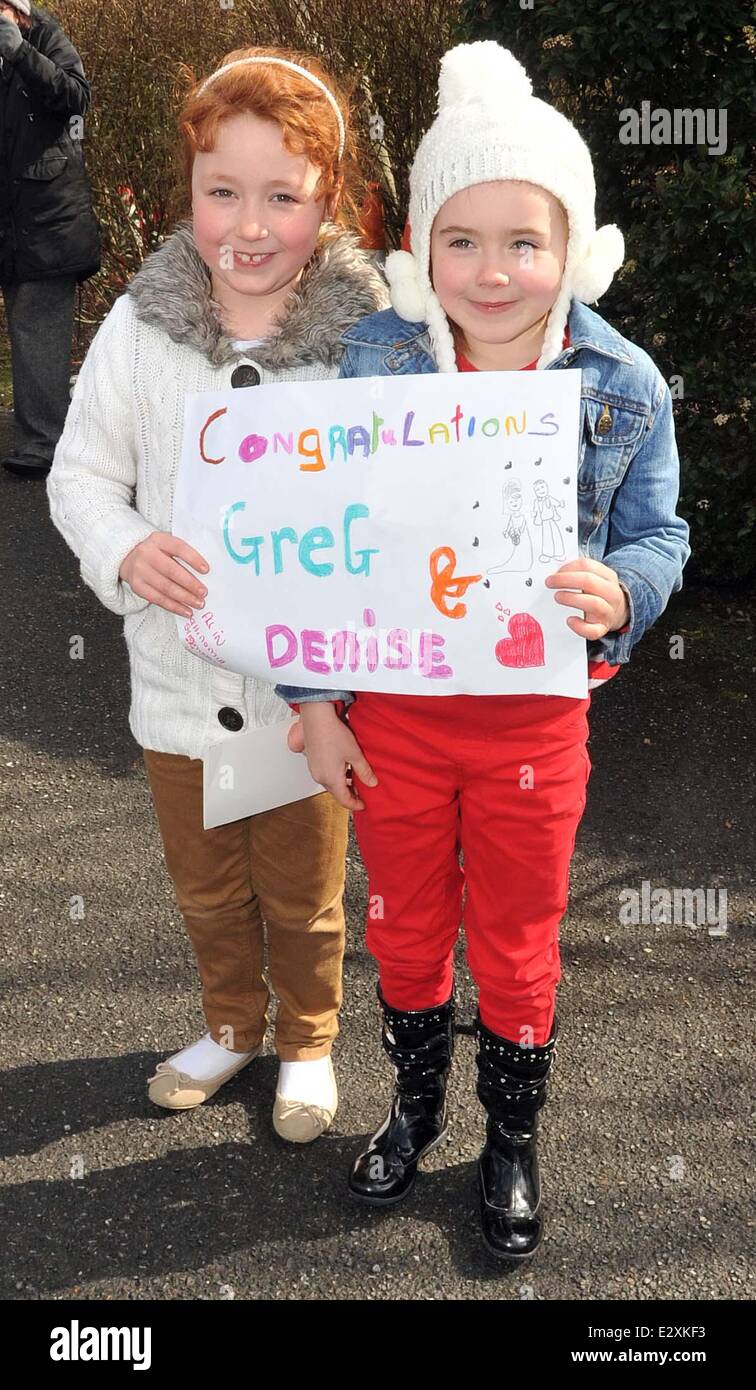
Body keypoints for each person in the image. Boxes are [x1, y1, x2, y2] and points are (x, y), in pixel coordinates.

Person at [279, 42, 691, 1250]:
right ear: (419, 250)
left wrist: (622, 588)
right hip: (395, 717)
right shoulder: (374, 362)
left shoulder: (624, 381)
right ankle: (416, 1111)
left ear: (574, 249)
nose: (495, 271)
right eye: (463, 240)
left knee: (516, 937)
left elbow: (660, 532)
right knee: (405, 923)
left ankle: (511, 1141)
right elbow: (322, 544)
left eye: (526, 241)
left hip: (533, 721)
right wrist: (313, 701)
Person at [47, 46, 388, 1142]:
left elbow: (406, 498)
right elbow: (81, 474)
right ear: (186, 189)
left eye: (281, 197)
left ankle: (307, 1040)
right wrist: (127, 544)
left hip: (305, 703)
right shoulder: (137, 334)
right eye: (221, 191)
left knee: (303, 887)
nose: (249, 224)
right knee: (206, 885)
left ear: (326, 200)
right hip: (182, 687)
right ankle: (232, 1023)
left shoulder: (370, 347)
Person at [0, 1, 100, 478]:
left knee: (36, 328)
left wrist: (20, 53)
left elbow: (75, 97)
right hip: (8, 218)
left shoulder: (45, 38)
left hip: (46, 220)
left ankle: (45, 443)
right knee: (29, 329)